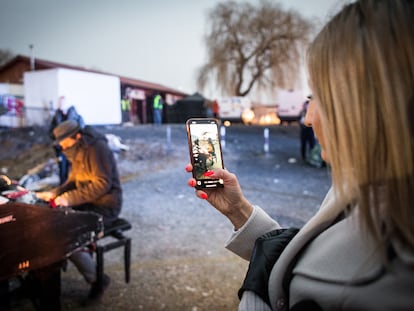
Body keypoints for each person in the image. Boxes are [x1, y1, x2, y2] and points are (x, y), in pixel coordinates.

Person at [186, 0, 414, 309]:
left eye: (317, 96)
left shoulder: (380, 287)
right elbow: (307, 255)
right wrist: (239, 211)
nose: (307, 118)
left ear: (368, 104)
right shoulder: (365, 190)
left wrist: (255, 298)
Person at [36, 119, 123, 303]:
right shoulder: (76, 150)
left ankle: (97, 280)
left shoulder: (97, 148)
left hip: (105, 205)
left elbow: (102, 184)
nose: (61, 145)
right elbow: (73, 182)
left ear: (76, 136)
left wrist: (68, 199)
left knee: (66, 233)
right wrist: (54, 193)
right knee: (53, 223)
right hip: (87, 202)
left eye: (64, 140)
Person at [49, 96, 85, 184]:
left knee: (75, 168)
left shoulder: (76, 117)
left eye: (62, 102)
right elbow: (51, 132)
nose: (60, 104)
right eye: (59, 102)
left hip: (74, 149)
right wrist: (57, 142)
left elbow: (82, 130)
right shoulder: (56, 117)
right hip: (61, 149)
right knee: (62, 169)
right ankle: (64, 187)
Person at [299, 95, 315, 163]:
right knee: (304, 144)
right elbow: (299, 120)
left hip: (310, 130)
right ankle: (303, 157)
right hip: (304, 130)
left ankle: (312, 156)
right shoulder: (302, 113)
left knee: (312, 144)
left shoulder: (312, 113)